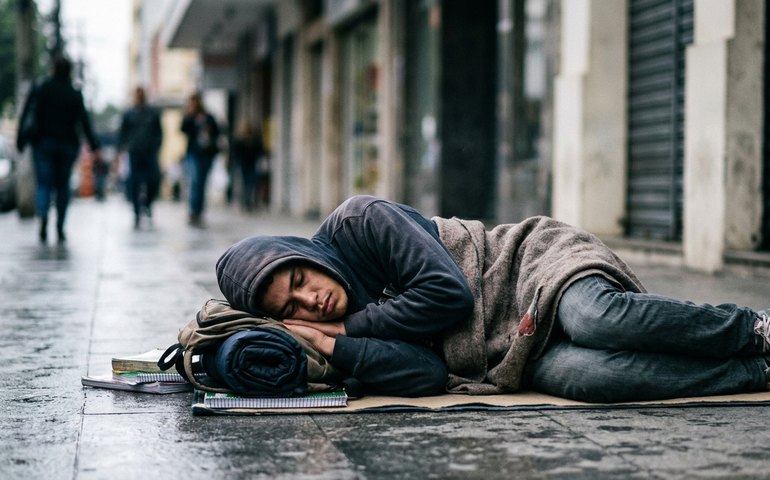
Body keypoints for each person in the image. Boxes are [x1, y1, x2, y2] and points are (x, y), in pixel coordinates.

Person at [214, 195, 770, 403]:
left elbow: (448, 294)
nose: (310, 301)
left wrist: (353, 330)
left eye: (299, 281)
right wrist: (333, 351)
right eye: (290, 310)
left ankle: (754, 330)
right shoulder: (330, 335)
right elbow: (427, 375)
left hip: (525, 265)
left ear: (301, 253)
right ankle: (754, 372)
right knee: (589, 379)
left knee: (594, 318)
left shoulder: (360, 222)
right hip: (506, 351)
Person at [16, 56, 100, 243]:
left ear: (53, 68)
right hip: (67, 145)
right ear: (69, 71)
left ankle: (43, 216)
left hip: (43, 144)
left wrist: (20, 140)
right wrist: (94, 145)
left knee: (44, 184)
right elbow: (84, 121)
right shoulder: (74, 93)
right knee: (62, 186)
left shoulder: (41, 88)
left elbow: (26, 114)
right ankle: (60, 225)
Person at [118, 86, 163, 228]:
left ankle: (148, 204)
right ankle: (137, 211)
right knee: (134, 183)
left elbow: (159, 132)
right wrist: (121, 149)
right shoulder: (129, 114)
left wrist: (156, 146)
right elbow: (122, 134)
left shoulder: (152, 113)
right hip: (135, 152)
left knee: (153, 180)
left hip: (150, 152)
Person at [181, 92, 220, 227]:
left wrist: (207, 127)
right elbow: (183, 129)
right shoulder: (189, 117)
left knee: (202, 183)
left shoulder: (208, 117)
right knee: (195, 181)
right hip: (193, 153)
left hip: (207, 154)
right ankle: (193, 211)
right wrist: (192, 119)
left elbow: (217, 131)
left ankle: (199, 211)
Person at [230, 118, 265, 212]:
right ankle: (245, 202)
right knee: (244, 183)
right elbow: (235, 152)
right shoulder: (238, 139)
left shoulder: (254, 138)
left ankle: (249, 202)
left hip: (252, 163)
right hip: (242, 164)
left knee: (252, 183)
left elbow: (260, 150)